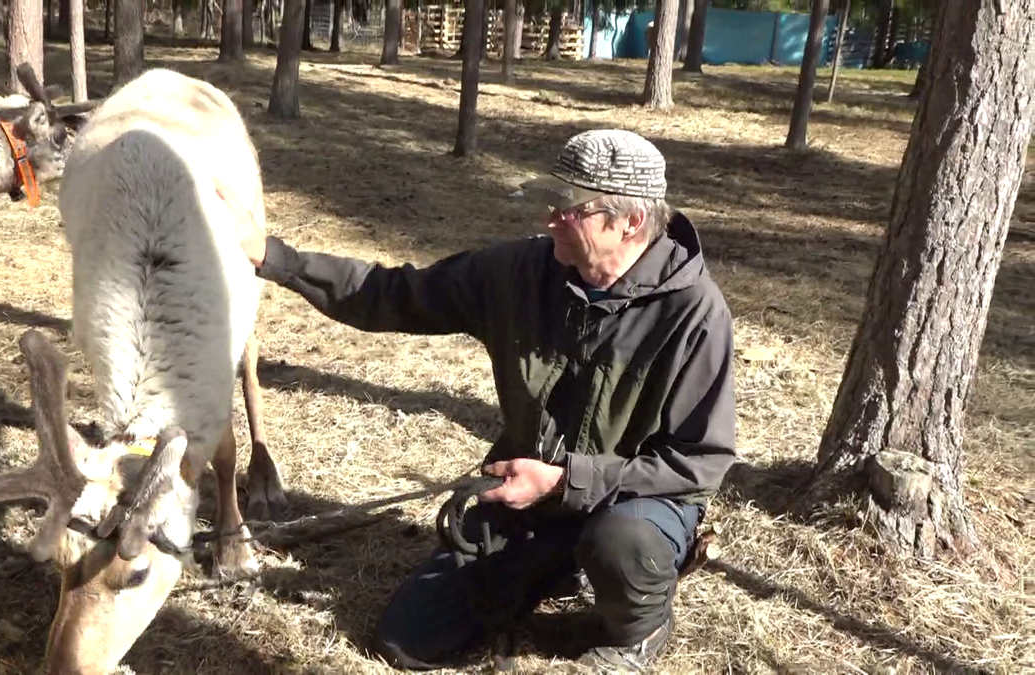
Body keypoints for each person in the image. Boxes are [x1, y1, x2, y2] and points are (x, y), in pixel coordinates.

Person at [225, 129, 737, 672]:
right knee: (407, 641)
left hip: (633, 502)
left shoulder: (696, 314)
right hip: (528, 499)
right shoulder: (520, 272)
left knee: (623, 541)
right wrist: (273, 257)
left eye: (568, 207)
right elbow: (395, 294)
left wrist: (567, 481)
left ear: (630, 222)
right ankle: (558, 565)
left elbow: (696, 463)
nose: (549, 218)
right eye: (550, 199)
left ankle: (639, 626)